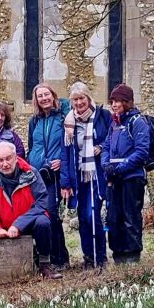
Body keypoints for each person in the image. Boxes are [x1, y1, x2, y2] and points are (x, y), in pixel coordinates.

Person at [0, 141, 63, 279]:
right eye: (0, 160)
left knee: (43, 222)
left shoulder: (32, 173)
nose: (5, 164)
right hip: (5, 226)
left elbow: (41, 203)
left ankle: (45, 263)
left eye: (8, 158)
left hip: (30, 222)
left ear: (16, 157)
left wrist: (19, 224)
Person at [60, 83, 111, 270]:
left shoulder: (102, 116)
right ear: (71, 102)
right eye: (75, 99)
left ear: (88, 98)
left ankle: (101, 257)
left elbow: (111, 138)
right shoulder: (68, 123)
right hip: (78, 175)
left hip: (96, 175)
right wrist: (65, 180)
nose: (79, 102)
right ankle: (88, 257)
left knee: (92, 215)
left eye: (82, 98)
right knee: (82, 217)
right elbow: (64, 153)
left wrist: (102, 147)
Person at [101, 83, 153, 265]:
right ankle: (118, 254)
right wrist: (105, 164)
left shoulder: (137, 122)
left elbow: (141, 152)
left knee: (130, 217)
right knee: (114, 217)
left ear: (127, 102)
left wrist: (120, 168)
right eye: (112, 101)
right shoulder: (114, 124)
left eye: (118, 101)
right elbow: (106, 146)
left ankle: (132, 256)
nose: (114, 105)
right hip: (114, 178)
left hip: (131, 178)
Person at [25, 83, 72, 271]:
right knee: (41, 214)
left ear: (53, 96)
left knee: (51, 213)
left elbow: (69, 142)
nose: (43, 98)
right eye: (39, 96)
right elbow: (32, 144)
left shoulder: (62, 116)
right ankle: (48, 258)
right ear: (36, 100)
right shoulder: (34, 121)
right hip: (37, 174)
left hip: (54, 174)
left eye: (46, 94)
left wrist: (61, 159)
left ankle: (60, 258)